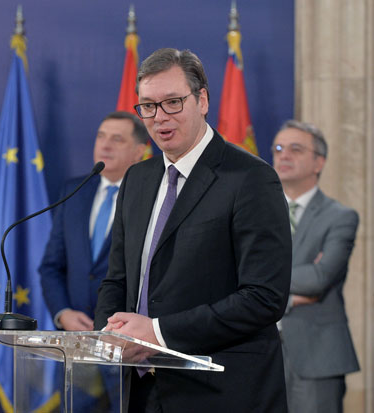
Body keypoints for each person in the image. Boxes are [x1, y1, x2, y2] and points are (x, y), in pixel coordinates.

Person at [93, 48, 292, 412]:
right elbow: (117, 279)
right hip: (141, 391)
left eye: (173, 102)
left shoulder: (250, 178)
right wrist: (110, 334)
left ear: (202, 100)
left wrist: (158, 333)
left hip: (220, 392)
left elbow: (264, 297)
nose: (160, 117)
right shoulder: (137, 179)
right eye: (148, 106)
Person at [39, 111, 148, 411]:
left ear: (139, 151)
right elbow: (51, 266)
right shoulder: (74, 191)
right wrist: (62, 313)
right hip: (77, 343)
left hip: (126, 344)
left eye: (117, 139)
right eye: (101, 136)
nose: (105, 145)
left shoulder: (150, 196)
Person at [272, 120, 360, 413]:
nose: (284, 155)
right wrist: (291, 298)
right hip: (260, 352)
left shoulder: (340, 217)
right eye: (279, 149)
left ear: (319, 162)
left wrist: (263, 280)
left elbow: (320, 278)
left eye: (295, 149)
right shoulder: (255, 213)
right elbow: (235, 275)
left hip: (317, 356)